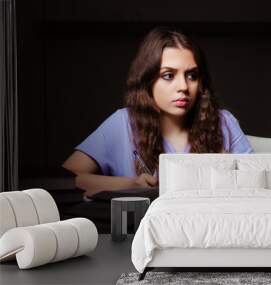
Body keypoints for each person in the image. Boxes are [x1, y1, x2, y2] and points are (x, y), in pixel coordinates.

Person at [62, 26, 253, 198]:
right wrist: (131, 184)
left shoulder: (223, 122)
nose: (183, 86)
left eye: (192, 75)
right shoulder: (123, 122)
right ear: (148, 80)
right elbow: (68, 179)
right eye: (168, 75)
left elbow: (256, 181)